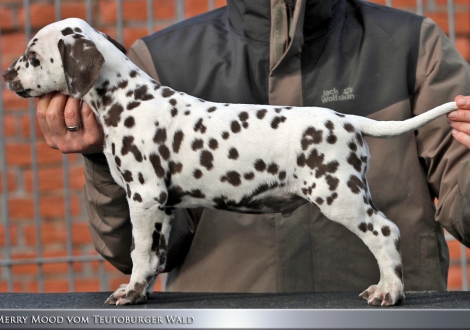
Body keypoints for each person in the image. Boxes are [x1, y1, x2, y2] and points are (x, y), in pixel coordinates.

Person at [37, 0, 470, 293]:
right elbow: (144, 236)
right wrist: (101, 154)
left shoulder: (414, 47)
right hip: (224, 315)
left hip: (387, 322)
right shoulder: (158, 63)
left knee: (351, 209)